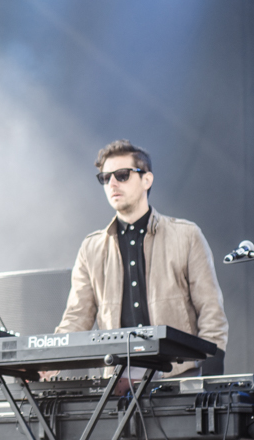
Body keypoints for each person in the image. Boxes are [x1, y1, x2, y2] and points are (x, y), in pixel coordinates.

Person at [54, 139, 228, 377]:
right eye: (105, 178)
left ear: (147, 180)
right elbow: (76, 318)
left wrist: (212, 370)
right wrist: (45, 364)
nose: (112, 183)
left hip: (178, 373)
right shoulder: (91, 248)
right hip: (118, 381)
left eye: (122, 175)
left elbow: (211, 309)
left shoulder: (186, 235)